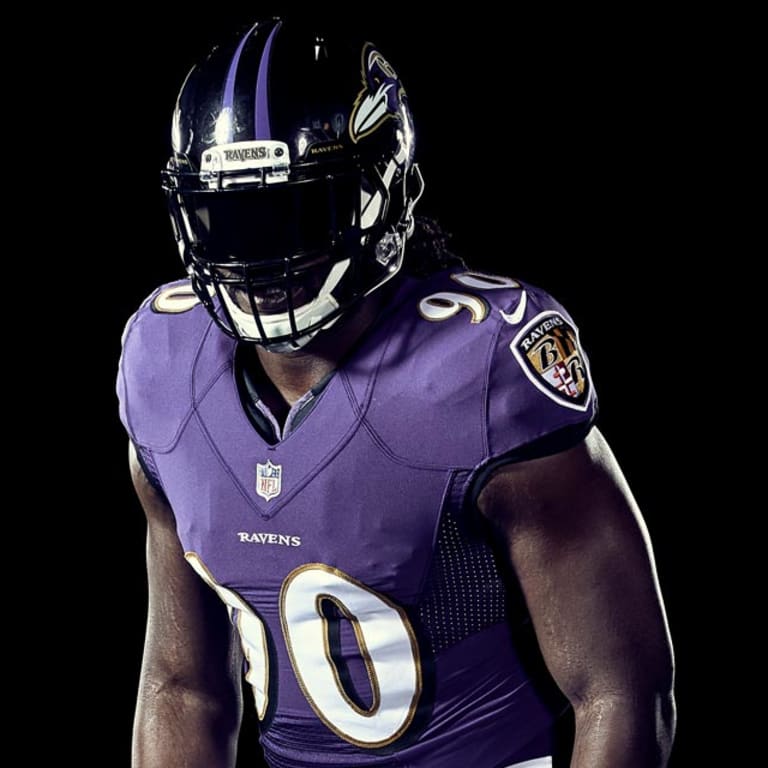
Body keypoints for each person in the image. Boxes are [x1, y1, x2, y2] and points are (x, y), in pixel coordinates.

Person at [117, 17, 675, 768]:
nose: (261, 256)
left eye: (295, 212)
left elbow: (621, 689)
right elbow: (183, 687)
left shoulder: (478, 369)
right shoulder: (166, 364)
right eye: (231, 218)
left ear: (388, 192)